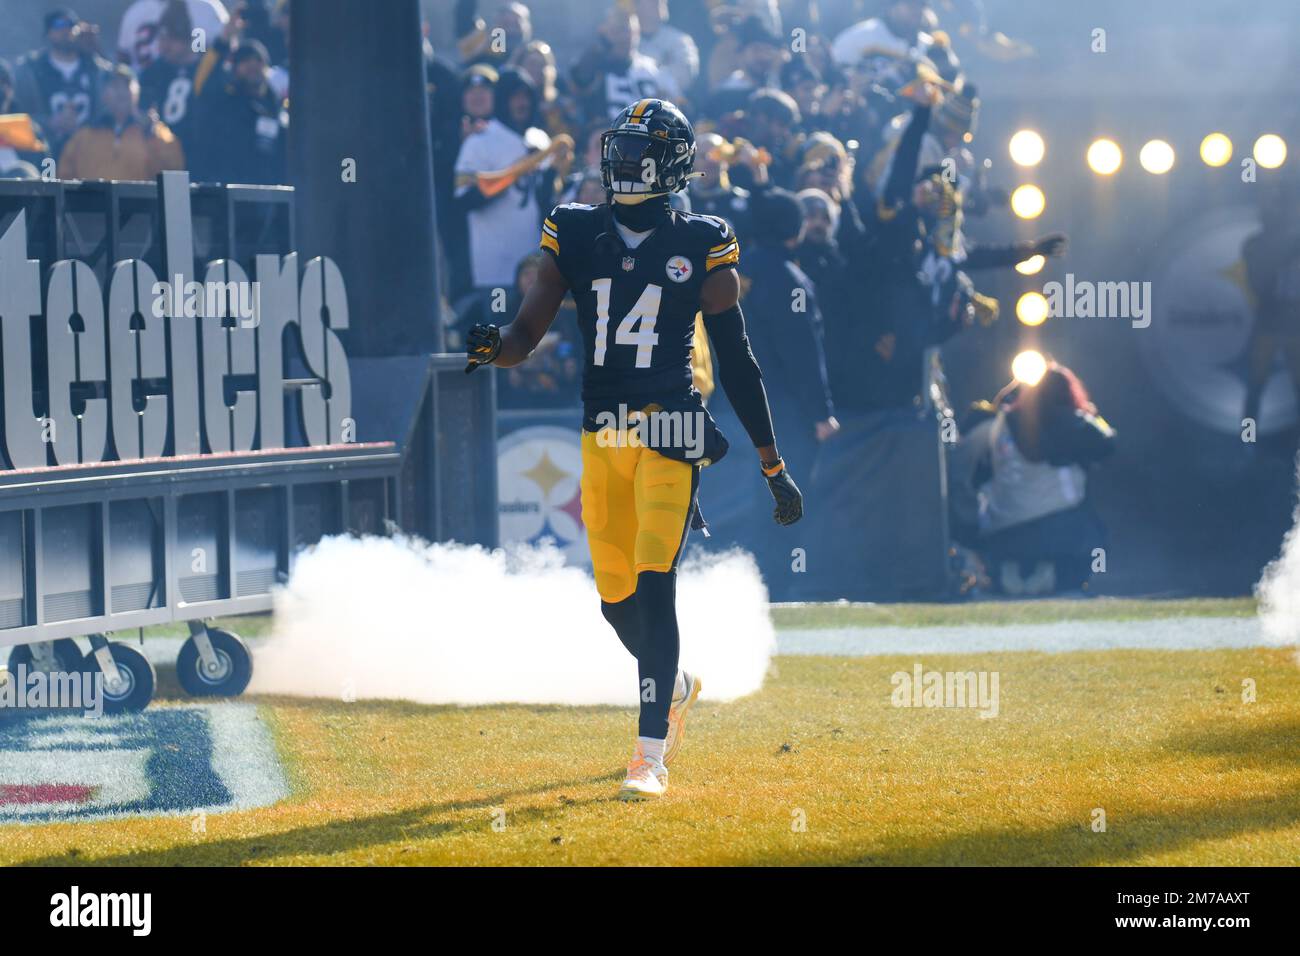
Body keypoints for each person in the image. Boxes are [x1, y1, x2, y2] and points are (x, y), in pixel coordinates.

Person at [466, 98, 804, 801]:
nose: (622, 163)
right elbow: (526, 335)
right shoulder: (576, 228)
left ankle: (649, 756)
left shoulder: (702, 240)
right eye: (618, 149)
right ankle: (676, 685)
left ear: (672, 163)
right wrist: (495, 348)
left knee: (656, 582)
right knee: (616, 598)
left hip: (671, 430)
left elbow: (738, 362)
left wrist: (772, 463)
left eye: (638, 152)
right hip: (602, 433)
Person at [966, 365, 1116, 595]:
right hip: (1060, 531)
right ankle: (1059, 577)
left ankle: (1007, 573)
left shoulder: (996, 424)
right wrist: (1091, 416)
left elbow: (962, 462)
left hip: (1002, 533)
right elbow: (1108, 442)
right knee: (1094, 529)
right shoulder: (1077, 424)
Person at [12, 8, 115, 162]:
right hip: (46, 156)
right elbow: (16, 116)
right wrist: (49, 123)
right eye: (59, 25)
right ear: (48, 33)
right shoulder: (29, 71)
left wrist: (96, 49)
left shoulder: (97, 69)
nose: (67, 29)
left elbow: (119, 97)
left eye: (72, 25)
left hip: (89, 157)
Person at [58, 65, 184, 180]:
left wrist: (150, 133)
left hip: (140, 204)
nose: (121, 91)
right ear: (103, 94)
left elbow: (173, 172)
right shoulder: (84, 136)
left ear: (137, 92)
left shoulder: (156, 132)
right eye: (114, 85)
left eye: (127, 84)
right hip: (94, 204)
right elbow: (65, 177)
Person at [188, 39, 286, 184]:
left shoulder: (274, 108)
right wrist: (222, 41)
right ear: (233, 68)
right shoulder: (222, 103)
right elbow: (202, 85)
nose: (253, 65)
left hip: (265, 196)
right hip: (225, 193)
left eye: (258, 61)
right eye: (245, 61)